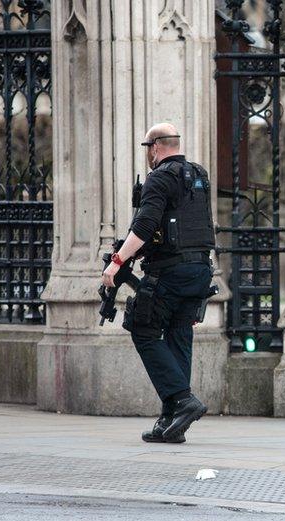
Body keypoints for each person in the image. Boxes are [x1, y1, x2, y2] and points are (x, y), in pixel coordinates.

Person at [101, 123, 215, 444]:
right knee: (179, 334)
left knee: (142, 327)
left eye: (147, 149)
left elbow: (145, 224)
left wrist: (118, 261)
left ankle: (181, 400)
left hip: (170, 271)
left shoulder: (160, 178)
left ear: (154, 148)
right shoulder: (198, 175)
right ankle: (172, 420)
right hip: (200, 272)